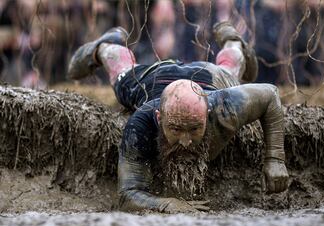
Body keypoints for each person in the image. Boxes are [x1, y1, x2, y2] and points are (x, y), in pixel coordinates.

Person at [67, 22, 289, 213]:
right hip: (153, 78)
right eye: (175, 129)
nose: (185, 141)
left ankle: (233, 43)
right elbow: (128, 194)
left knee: (230, 73)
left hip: (209, 75)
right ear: (159, 117)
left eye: (194, 129)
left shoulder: (226, 106)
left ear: (208, 114)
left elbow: (270, 95)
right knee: (121, 73)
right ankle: (108, 44)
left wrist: (275, 159)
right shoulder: (142, 123)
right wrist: (166, 204)